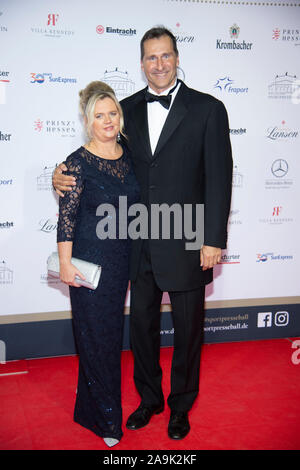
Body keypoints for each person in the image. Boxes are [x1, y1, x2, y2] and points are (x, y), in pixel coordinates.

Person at [53, 26, 232, 440]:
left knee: (188, 332)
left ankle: (181, 406)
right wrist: (59, 177)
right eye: (151, 57)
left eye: (166, 55)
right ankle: (149, 398)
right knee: (142, 329)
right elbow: (98, 161)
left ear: (176, 56)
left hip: (188, 239)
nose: (159, 64)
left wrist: (213, 239)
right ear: (141, 63)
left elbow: (220, 179)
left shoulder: (208, 108)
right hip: (136, 241)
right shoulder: (126, 109)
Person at [56, 81, 139, 447]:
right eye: (99, 115)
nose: (107, 120)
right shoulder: (75, 163)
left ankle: (89, 409)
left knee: (109, 338)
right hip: (89, 263)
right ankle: (107, 420)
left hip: (123, 261)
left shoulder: (130, 154)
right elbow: (66, 219)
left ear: (120, 116)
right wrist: (64, 263)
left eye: (113, 113)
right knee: (97, 340)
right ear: (88, 121)